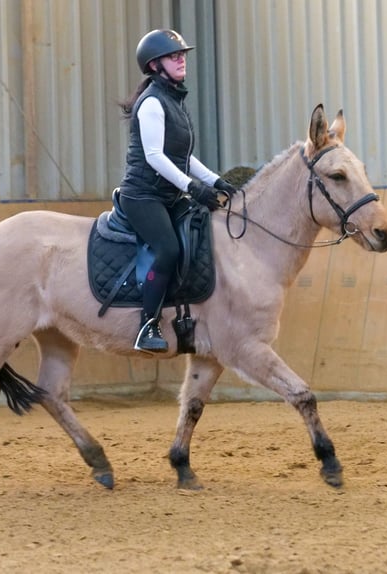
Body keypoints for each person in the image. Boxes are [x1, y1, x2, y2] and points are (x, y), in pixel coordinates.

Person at [118, 29, 237, 354]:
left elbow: (182, 156)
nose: (181, 59)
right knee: (168, 248)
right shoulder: (153, 103)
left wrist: (215, 181)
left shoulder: (172, 101)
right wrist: (192, 187)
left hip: (167, 196)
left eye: (182, 54)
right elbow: (156, 157)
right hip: (143, 196)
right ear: (155, 65)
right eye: (174, 56)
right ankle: (147, 325)